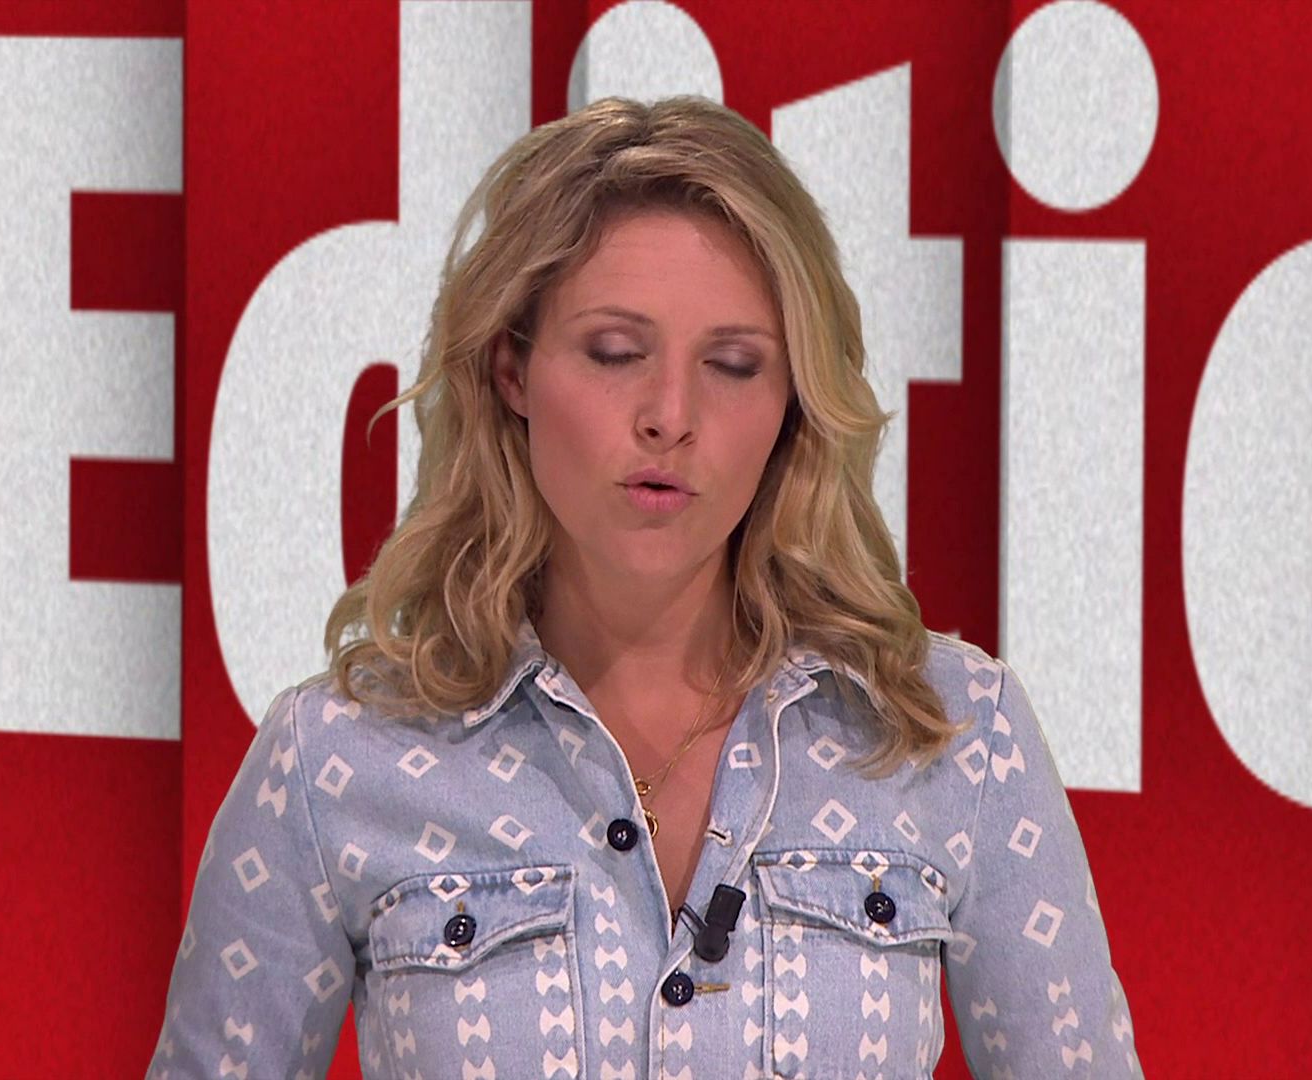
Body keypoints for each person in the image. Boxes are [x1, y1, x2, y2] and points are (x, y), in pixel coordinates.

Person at [147, 94, 1142, 1079]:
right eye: (616, 353)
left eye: (734, 365)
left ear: (795, 403)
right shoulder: (333, 759)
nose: (671, 414)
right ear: (510, 369)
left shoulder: (954, 732)